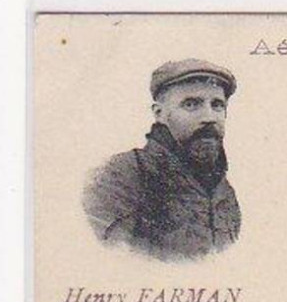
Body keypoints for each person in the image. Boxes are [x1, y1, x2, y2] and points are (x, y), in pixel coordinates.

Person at [82, 60, 241, 259]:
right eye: (191, 104)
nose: (209, 117)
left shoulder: (224, 191)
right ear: (159, 114)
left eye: (217, 105)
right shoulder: (121, 175)